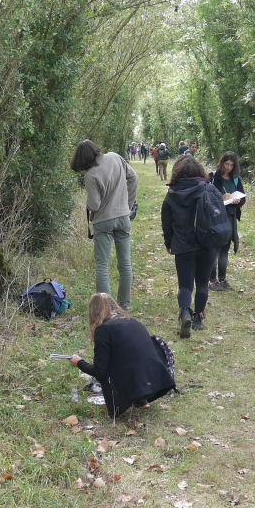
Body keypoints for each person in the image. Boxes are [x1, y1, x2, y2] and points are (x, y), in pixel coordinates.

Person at [67, 293, 176, 418]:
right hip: (157, 381)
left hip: (136, 383)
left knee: (109, 367)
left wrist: (79, 363)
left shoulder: (103, 330)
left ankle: (128, 399)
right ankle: (141, 399)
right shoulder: (132, 321)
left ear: (93, 313)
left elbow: (99, 371)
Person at [70, 139, 138, 310]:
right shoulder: (115, 157)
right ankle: (124, 305)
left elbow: (94, 205)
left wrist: (87, 204)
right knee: (125, 264)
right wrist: (127, 205)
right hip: (123, 217)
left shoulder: (91, 175)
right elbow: (133, 178)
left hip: (103, 222)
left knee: (102, 265)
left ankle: (106, 309)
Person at [161, 154, 222, 338]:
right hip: (207, 243)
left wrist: (169, 242)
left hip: (182, 244)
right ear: (199, 170)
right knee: (202, 282)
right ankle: (198, 319)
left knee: (185, 284)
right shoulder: (209, 189)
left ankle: (185, 312)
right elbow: (220, 211)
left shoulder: (172, 194)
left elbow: (166, 221)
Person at [209, 151, 246, 291]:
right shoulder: (213, 177)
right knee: (215, 248)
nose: (229, 167)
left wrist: (237, 201)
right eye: (226, 164)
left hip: (230, 216)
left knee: (225, 248)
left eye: (232, 165)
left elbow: (243, 197)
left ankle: (222, 279)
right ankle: (212, 280)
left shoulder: (236, 179)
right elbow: (206, 198)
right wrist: (221, 198)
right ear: (222, 163)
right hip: (216, 217)